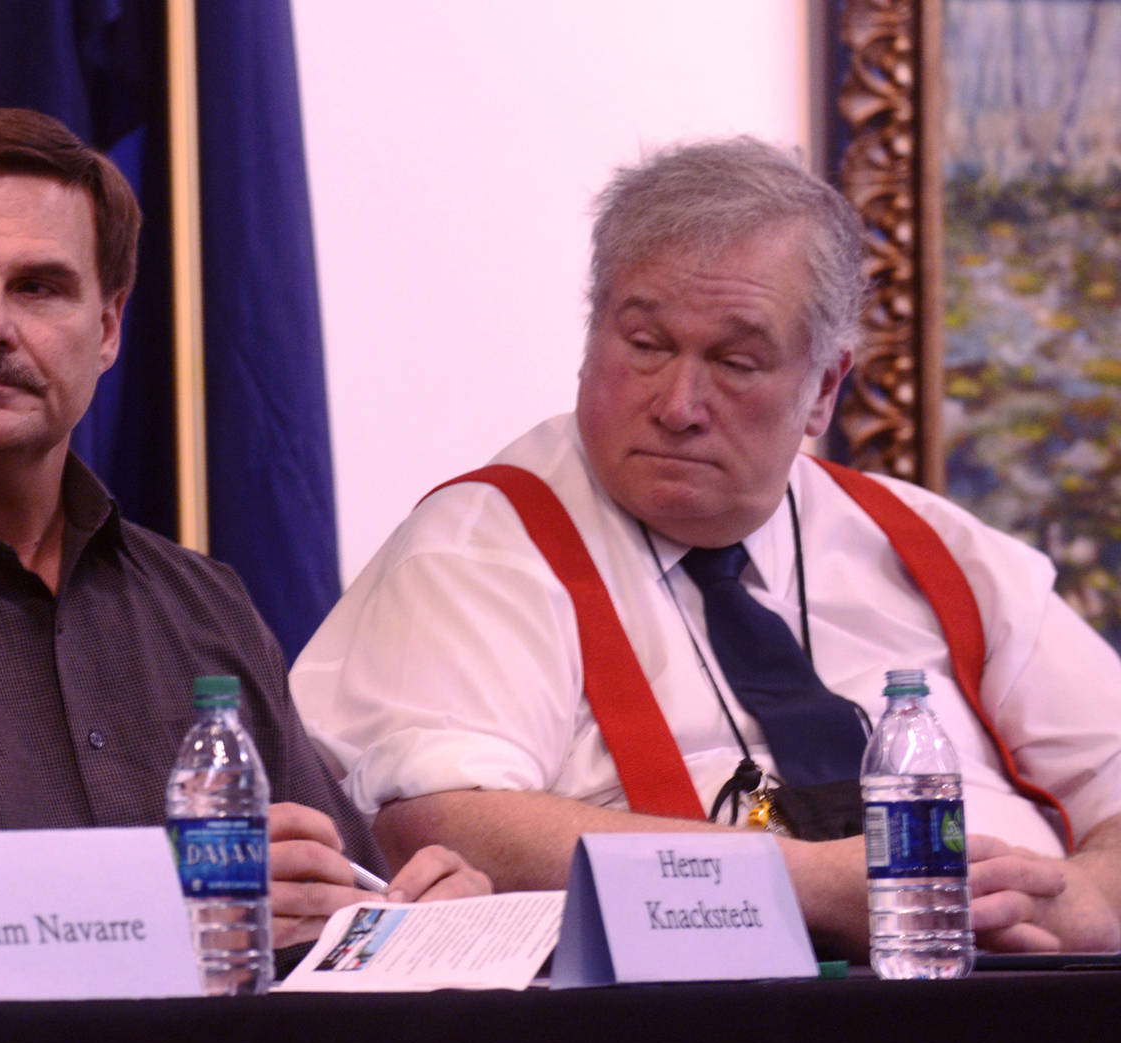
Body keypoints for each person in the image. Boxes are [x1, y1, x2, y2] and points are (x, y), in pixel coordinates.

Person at [291, 137, 1121, 959]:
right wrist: (823, 888)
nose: (679, 405)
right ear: (591, 339)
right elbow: (442, 822)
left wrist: (1087, 897)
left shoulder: (933, 545)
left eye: (734, 361)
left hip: (1021, 1001)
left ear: (824, 388)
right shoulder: (481, 546)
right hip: (682, 1040)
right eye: (646, 346)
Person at [0, 108, 487, 953]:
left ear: (107, 330)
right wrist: (169, 913)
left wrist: (411, 922)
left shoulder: (204, 606)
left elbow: (330, 904)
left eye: (38, 287)